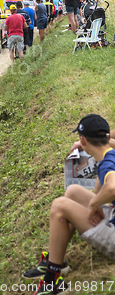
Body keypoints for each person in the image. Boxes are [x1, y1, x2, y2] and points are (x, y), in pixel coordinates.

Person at [24, 114, 115, 295]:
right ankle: (56, 259)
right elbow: (103, 181)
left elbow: (112, 187)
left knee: (60, 205)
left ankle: (52, 280)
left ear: (82, 140)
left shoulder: (106, 165)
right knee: (73, 192)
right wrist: (95, 200)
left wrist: (94, 204)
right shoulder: (109, 155)